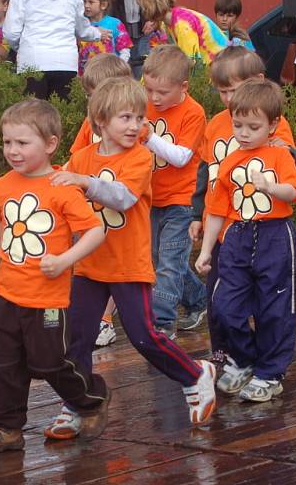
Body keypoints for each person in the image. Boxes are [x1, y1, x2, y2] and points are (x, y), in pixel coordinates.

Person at [48, 77, 217, 437]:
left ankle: (195, 374)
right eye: (125, 117)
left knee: (143, 336)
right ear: (100, 121)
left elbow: (122, 197)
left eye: (140, 118)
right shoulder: (81, 158)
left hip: (128, 265)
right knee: (77, 338)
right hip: (89, 266)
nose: (136, 125)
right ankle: (76, 403)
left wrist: (82, 181)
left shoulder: (141, 158)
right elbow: (60, 198)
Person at [0, 98, 110, 454]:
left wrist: (65, 261)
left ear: (50, 144)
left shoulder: (62, 186)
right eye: (7, 143)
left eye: (22, 143)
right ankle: (4, 428)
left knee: (49, 361)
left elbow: (95, 231)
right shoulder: (5, 183)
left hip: (48, 298)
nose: (13, 151)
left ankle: (91, 397)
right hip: (6, 292)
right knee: (1, 362)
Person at [196, 78, 296, 402]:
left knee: (276, 308)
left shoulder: (281, 155)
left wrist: (271, 187)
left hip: (275, 235)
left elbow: (293, 192)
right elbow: (216, 210)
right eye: (237, 125)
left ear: (273, 126)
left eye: (252, 127)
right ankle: (242, 360)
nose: (243, 133)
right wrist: (206, 250)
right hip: (238, 237)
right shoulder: (229, 162)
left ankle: (270, 372)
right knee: (225, 306)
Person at [68, 52, 132, 347]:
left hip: (121, 210)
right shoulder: (89, 124)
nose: (91, 103)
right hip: (92, 207)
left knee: (116, 263)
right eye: (89, 96)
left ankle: (105, 321)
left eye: (97, 96)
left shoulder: (132, 128)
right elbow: (75, 159)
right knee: (90, 259)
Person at [143, 45, 207, 339]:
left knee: (169, 262)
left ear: (183, 87)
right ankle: (199, 299)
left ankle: (163, 323)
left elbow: (181, 156)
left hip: (182, 199)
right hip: (152, 197)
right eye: (149, 89)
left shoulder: (193, 112)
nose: (154, 98)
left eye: (162, 92)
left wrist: (150, 137)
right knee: (161, 259)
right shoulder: (145, 104)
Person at [4, 0, 104, 100]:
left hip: (32, 61)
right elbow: (82, 30)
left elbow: (11, 32)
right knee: (62, 118)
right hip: (65, 61)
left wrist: (21, 47)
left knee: (32, 118)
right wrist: (97, 33)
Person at [137, 0, 228, 67]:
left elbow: (192, 61)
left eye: (143, 7)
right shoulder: (170, 21)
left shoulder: (182, 25)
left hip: (223, 65)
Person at [78, 0, 133, 75]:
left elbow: (125, 50)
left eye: (91, 2)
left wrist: (118, 68)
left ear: (103, 5)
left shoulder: (115, 24)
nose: (86, 5)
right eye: (84, 1)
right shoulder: (81, 24)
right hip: (84, 75)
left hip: (108, 75)